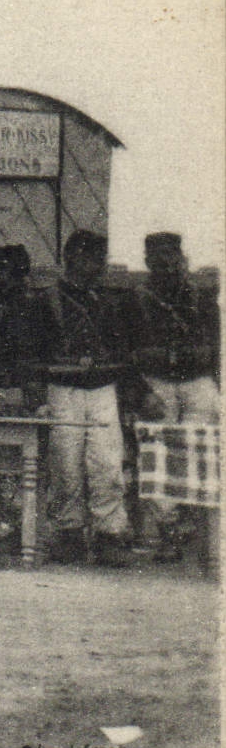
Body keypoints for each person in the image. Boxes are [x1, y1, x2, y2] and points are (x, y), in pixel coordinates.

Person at [42, 229, 141, 566]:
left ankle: (109, 533)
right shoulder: (45, 300)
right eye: (87, 257)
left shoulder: (111, 302)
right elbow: (32, 351)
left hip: (102, 389)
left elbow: (124, 351)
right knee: (65, 465)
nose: (95, 265)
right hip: (62, 388)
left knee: (107, 464)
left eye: (99, 258)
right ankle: (67, 532)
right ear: (70, 258)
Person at [131, 231, 220, 561]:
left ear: (181, 258)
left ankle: (195, 528)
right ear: (148, 262)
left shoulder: (202, 298)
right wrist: (142, 392)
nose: (167, 264)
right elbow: (129, 354)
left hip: (197, 382)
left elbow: (217, 349)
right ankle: (167, 530)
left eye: (172, 256)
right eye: (159, 258)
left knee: (201, 452)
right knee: (159, 453)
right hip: (158, 384)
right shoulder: (138, 299)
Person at [0, 244, 54, 408]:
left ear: (15, 273)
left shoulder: (25, 305)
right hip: (13, 387)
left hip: (20, 389)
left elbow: (26, 354)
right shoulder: (8, 302)